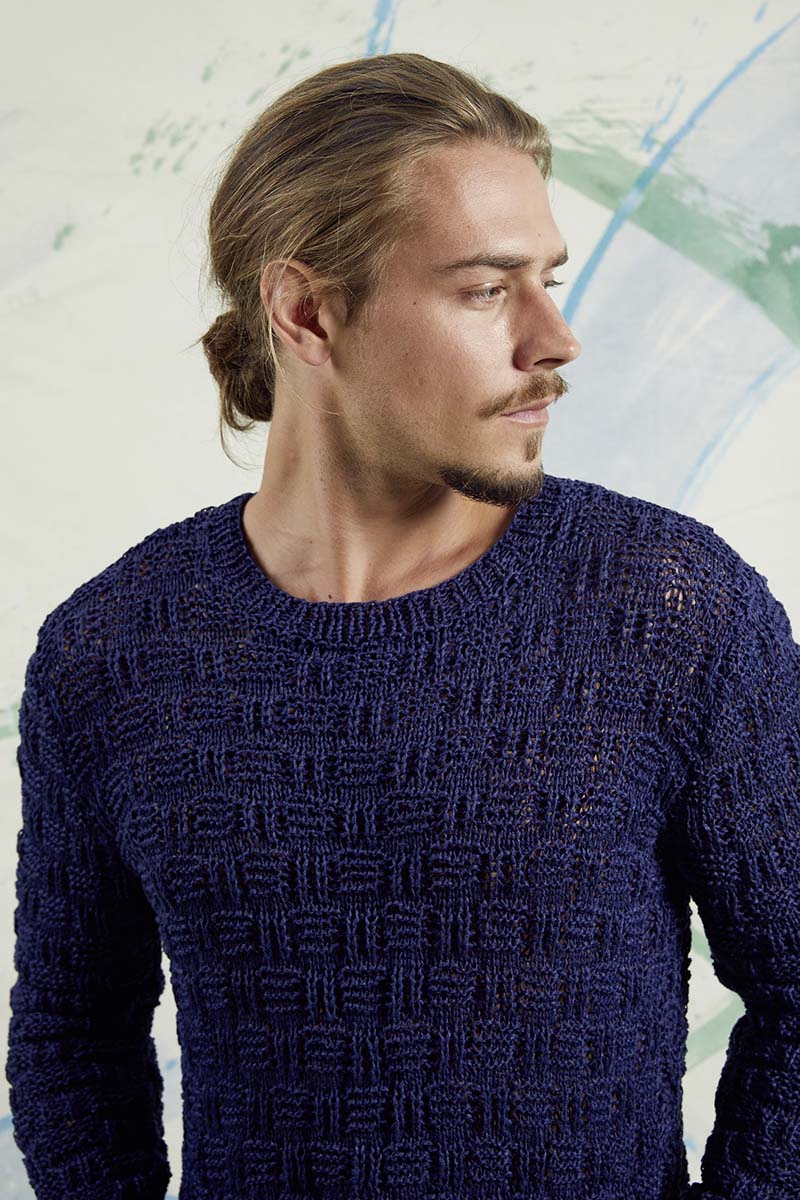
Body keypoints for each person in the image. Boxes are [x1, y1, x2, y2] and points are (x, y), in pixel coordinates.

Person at [6, 50, 799, 1200]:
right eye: (485, 289)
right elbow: (72, 1037)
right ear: (307, 312)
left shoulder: (668, 609)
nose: (553, 338)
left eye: (547, 279)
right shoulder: (111, 653)